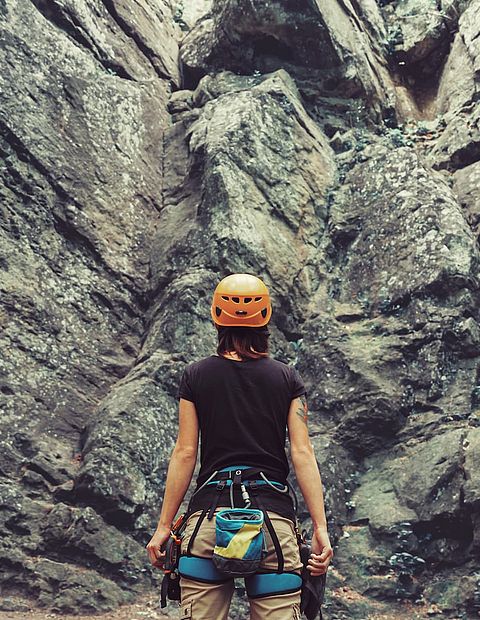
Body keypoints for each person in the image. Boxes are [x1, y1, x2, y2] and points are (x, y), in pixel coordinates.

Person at [146, 273, 333, 619]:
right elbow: (302, 453)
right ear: (266, 320)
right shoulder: (287, 379)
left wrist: (163, 528)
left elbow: (185, 452)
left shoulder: (195, 376)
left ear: (217, 318)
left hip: (207, 522)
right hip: (272, 525)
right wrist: (320, 529)